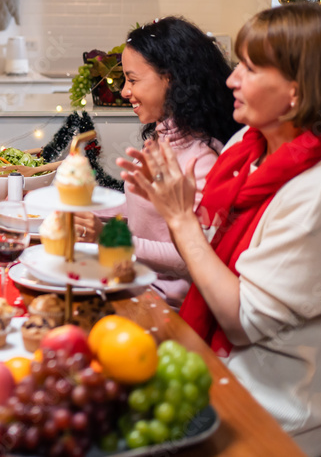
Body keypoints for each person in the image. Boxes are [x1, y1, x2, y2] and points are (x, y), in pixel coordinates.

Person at [124, 2, 321, 455]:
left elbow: (243, 322)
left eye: (251, 68)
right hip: (217, 372)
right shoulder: (248, 144)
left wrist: (181, 220)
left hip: (274, 416)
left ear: (298, 91)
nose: (231, 79)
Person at [73, 17, 240, 307]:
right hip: (135, 281)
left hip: (164, 306)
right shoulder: (165, 138)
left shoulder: (202, 159)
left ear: (171, 79)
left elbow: (191, 256)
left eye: (133, 80)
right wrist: (89, 214)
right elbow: (144, 210)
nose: (124, 91)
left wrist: (111, 239)